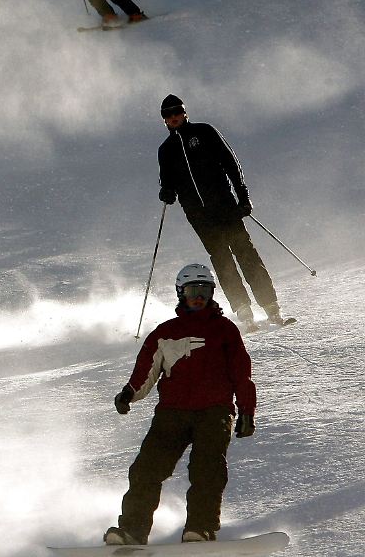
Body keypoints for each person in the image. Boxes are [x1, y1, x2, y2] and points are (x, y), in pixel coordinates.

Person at [104, 264, 257, 546]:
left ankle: (200, 529)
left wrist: (247, 411)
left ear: (212, 294)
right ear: (180, 294)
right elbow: (146, 371)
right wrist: (128, 394)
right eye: (191, 291)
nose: (198, 297)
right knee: (146, 469)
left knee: (207, 470)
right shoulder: (166, 333)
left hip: (214, 412)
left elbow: (241, 374)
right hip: (172, 414)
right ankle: (132, 531)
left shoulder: (224, 330)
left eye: (204, 291)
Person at [157, 94, 286, 331]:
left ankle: (270, 306)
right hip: (199, 216)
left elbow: (230, 163)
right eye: (168, 115)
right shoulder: (166, 150)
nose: (173, 117)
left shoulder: (204, 132)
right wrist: (166, 192)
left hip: (225, 207)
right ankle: (243, 310)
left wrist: (243, 196)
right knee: (222, 260)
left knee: (245, 252)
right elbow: (167, 183)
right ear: (164, 120)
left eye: (176, 112)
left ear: (184, 113)